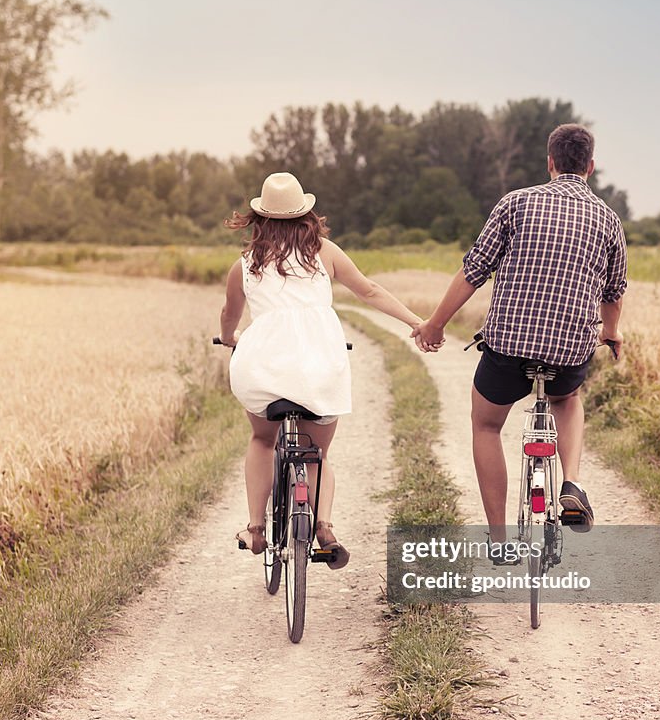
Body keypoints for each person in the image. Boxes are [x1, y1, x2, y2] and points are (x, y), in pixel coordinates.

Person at [411, 124, 627, 541]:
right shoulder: (608, 219)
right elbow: (614, 293)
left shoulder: (515, 203)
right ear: (591, 166)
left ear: (550, 162)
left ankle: (497, 537)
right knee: (567, 398)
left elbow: (473, 271)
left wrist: (435, 325)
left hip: (508, 349)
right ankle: (572, 483)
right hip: (568, 352)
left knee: (487, 425)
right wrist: (612, 332)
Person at [219, 171, 422, 566]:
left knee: (262, 440)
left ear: (260, 218)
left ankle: (256, 529)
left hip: (262, 370)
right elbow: (370, 291)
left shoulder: (243, 265)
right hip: (319, 368)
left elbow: (230, 315)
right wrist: (416, 322)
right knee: (317, 453)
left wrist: (229, 337)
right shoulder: (325, 252)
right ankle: (324, 527)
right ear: (305, 215)